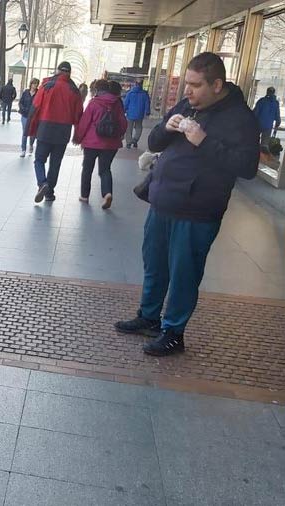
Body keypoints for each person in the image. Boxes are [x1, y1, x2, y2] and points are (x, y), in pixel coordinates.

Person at [115, 52, 259, 357]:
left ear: (216, 84)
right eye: (187, 84)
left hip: (197, 210)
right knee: (154, 265)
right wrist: (168, 127)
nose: (187, 91)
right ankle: (149, 318)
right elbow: (153, 143)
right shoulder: (186, 105)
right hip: (163, 200)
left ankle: (173, 333)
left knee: (183, 274)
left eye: (195, 85)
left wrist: (204, 141)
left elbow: (247, 167)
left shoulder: (241, 118)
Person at [28, 61, 83, 203]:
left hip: (45, 128)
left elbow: (35, 108)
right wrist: (77, 135)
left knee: (39, 160)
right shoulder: (74, 91)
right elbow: (78, 115)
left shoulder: (46, 86)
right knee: (55, 163)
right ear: (70, 73)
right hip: (63, 131)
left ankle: (42, 183)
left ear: (57, 71)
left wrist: (31, 129)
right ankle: (49, 192)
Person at [75, 79, 127, 209]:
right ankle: (107, 194)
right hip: (111, 144)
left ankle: (84, 196)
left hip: (92, 143)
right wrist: (118, 135)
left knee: (87, 169)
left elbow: (84, 123)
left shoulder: (93, 103)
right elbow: (123, 123)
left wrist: (78, 138)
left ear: (97, 90)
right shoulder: (117, 103)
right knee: (105, 170)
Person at [123, 80, 151, 149]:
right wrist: (147, 111)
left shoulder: (130, 93)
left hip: (130, 114)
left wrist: (124, 110)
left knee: (129, 128)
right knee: (139, 127)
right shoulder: (144, 94)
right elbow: (147, 104)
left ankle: (128, 142)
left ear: (135, 84)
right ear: (141, 85)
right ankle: (135, 139)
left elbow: (126, 103)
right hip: (140, 114)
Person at [18, 77, 39, 157]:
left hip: (34, 116)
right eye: (34, 83)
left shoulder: (38, 93)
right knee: (25, 132)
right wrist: (22, 108)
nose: (35, 85)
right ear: (31, 84)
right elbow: (21, 102)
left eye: (36, 84)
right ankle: (23, 150)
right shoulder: (26, 92)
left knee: (33, 133)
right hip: (25, 115)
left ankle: (31, 144)